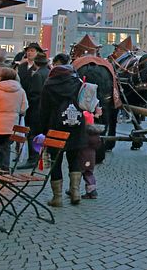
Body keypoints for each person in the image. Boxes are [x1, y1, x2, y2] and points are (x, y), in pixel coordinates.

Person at [39, 61, 87, 206]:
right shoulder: (78, 83)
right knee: (74, 159)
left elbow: (44, 110)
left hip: (55, 126)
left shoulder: (49, 85)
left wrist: (43, 130)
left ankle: (57, 197)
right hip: (76, 126)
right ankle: (75, 192)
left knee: (56, 162)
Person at [18, 52, 50, 169]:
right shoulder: (48, 72)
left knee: (32, 134)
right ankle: (41, 157)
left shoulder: (37, 75)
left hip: (35, 109)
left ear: (36, 63)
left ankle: (33, 159)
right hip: (45, 109)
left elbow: (34, 94)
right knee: (40, 133)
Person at [79, 109, 103, 199]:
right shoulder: (95, 134)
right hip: (91, 158)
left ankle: (75, 190)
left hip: (82, 157)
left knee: (80, 173)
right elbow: (98, 145)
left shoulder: (83, 134)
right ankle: (92, 190)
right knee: (89, 173)